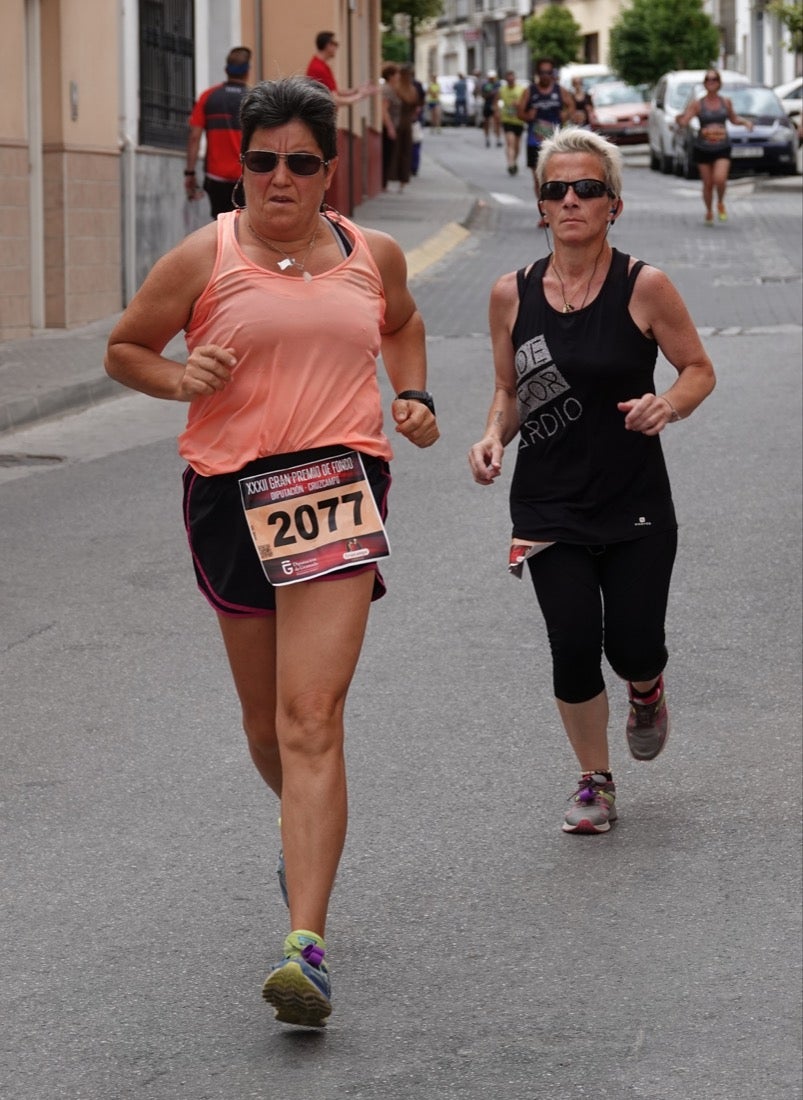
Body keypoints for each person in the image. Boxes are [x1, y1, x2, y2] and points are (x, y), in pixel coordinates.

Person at [105, 76, 439, 1028]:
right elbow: (125, 348)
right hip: (229, 492)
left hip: (334, 486)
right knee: (266, 728)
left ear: (328, 171)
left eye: (298, 162)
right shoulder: (201, 258)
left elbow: (402, 323)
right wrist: (179, 378)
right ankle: (304, 831)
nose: (278, 178)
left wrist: (413, 395)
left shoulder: (371, 254)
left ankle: (305, 946)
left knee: (310, 716)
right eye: (261, 161)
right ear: (238, 168)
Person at [468, 128, 715, 836]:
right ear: (541, 206)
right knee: (573, 642)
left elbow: (698, 370)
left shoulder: (645, 286)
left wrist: (667, 405)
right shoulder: (510, 294)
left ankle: (646, 688)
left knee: (632, 645)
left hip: (634, 498)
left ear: (614, 204)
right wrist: (492, 437)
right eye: (556, 189)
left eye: (587, 188)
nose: (571, 200)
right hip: (547, 503)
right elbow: (511, 391)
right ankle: (594, 781)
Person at [674, 68, 754, 225]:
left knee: (720, 179)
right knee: (708, 183)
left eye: (714, 79)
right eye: (708, 80)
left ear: (719, 83)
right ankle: (709, 210)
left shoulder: (726, 102)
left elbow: (733, 119)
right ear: (704, 83)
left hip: (722, 146)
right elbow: (684, 121)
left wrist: (745, 122)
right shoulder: (698, 104)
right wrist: (678, 119)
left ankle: (721, 202)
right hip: (703, 147)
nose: (711, 82)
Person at [185, 47, 252, 219]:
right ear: (247, 72)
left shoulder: (208, 97)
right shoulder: (254, 99)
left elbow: (194, 137)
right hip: (246, 176)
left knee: (221, 224)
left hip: (215, 177)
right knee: (245, 225)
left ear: (226, 70)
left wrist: (190, 173)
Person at [518, 59, 575, 226]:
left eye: (549, 72)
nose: (546, 76)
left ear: (553, 74)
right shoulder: (530, 91)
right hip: (535, 141)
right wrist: (528, 116)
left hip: (555, 143)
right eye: (543, 72)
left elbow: (571, 105)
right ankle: (545, 214)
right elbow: (520, 112)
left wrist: (566, 115)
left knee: (556, 178)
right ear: (538, 74)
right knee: (538, 179)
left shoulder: (559, 90)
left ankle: (556, 211)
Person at [305, 30, 375, 108]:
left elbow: (335, 92)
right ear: (328, 45)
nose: (336, 47)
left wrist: (357, 90)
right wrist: (360, 95)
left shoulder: (321, 65)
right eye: (335, 44)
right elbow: (334, 100)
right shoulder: (318, 68)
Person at [498, 70, 526, 175]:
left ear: (515, 79)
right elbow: (496, 101)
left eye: (512, 79)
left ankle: (514, 161)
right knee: (510, 143)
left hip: (518, 120)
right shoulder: (502, 90)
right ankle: (510, 164)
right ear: (506, 80)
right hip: (507, 120)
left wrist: (519, 104)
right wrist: (497, 112)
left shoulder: (521, 90)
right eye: (508, 80)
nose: (510, 81)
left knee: (517, 146)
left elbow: (525, 103)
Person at [481, 70, 502, 148]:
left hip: (495, 105)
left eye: (493, 78)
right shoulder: (485, 84)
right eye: (490, 78)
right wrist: (490, 94)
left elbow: (500, 94)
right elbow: (483, 95)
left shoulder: (498, 84)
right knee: (486, 122)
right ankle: (487, 138)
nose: (492, 79)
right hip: (487, 105)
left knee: (497, 122)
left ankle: (498, 139)